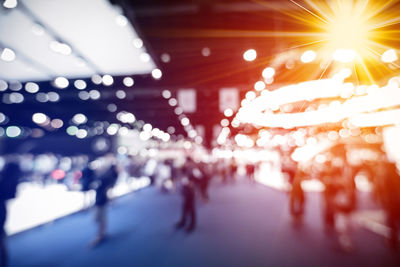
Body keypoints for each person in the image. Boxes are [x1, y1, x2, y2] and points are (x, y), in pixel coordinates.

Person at [91, 163, 118, 247]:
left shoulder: (104, 178)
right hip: (99, 199)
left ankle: (100, 235)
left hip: (102, 200)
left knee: (99, 218)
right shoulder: (99, 177)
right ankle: (102, 233)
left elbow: (107, 189)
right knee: (101, 218)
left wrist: (110, 198)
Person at [0, 161, 20, 267]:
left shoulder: (3, 181)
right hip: (2, 210)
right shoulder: (12, 181)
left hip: (1, 210)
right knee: (1, 238)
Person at [175, 159, 196, 233]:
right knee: (184, 207)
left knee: (191, 208)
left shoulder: (193, 169)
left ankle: (192, 224)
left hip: (190, 192)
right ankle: (183, 221)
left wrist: (190, 183)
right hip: (186, 191)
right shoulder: (186, 169)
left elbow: (198, 178)